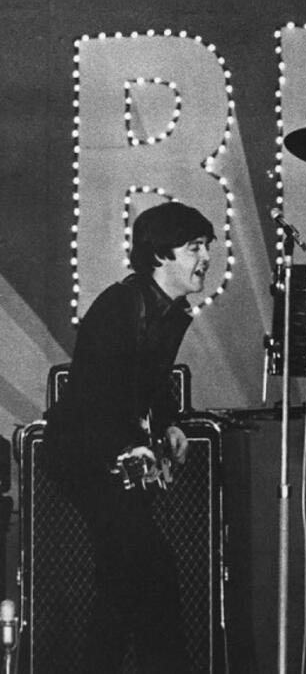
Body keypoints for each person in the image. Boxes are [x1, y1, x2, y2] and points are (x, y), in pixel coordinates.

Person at [43, 201, 214, 672]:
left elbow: (152, 379)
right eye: (194, 247)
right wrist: (129, 442)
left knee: (121, 587)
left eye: (206, 247)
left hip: (110, 454)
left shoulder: (169, 308)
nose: (205, 257)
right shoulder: (119, 305)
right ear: (160, 255)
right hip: (83, 455)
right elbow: (97, 392)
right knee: (153, 573)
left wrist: (169, 423)